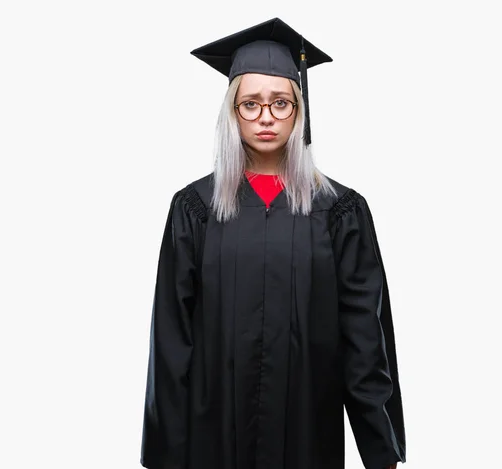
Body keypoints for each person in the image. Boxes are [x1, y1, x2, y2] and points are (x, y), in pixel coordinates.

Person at [140, 17, 406, 469]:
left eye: (281, 103)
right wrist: (167, 454)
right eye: (250, 104)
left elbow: (365, 339)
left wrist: (380, 449)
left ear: (300, 111)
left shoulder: (340, 212)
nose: (266, 116)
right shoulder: (195, 209)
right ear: (232, 113)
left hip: (308, 435)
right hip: (213, 438)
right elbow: (171, 342)